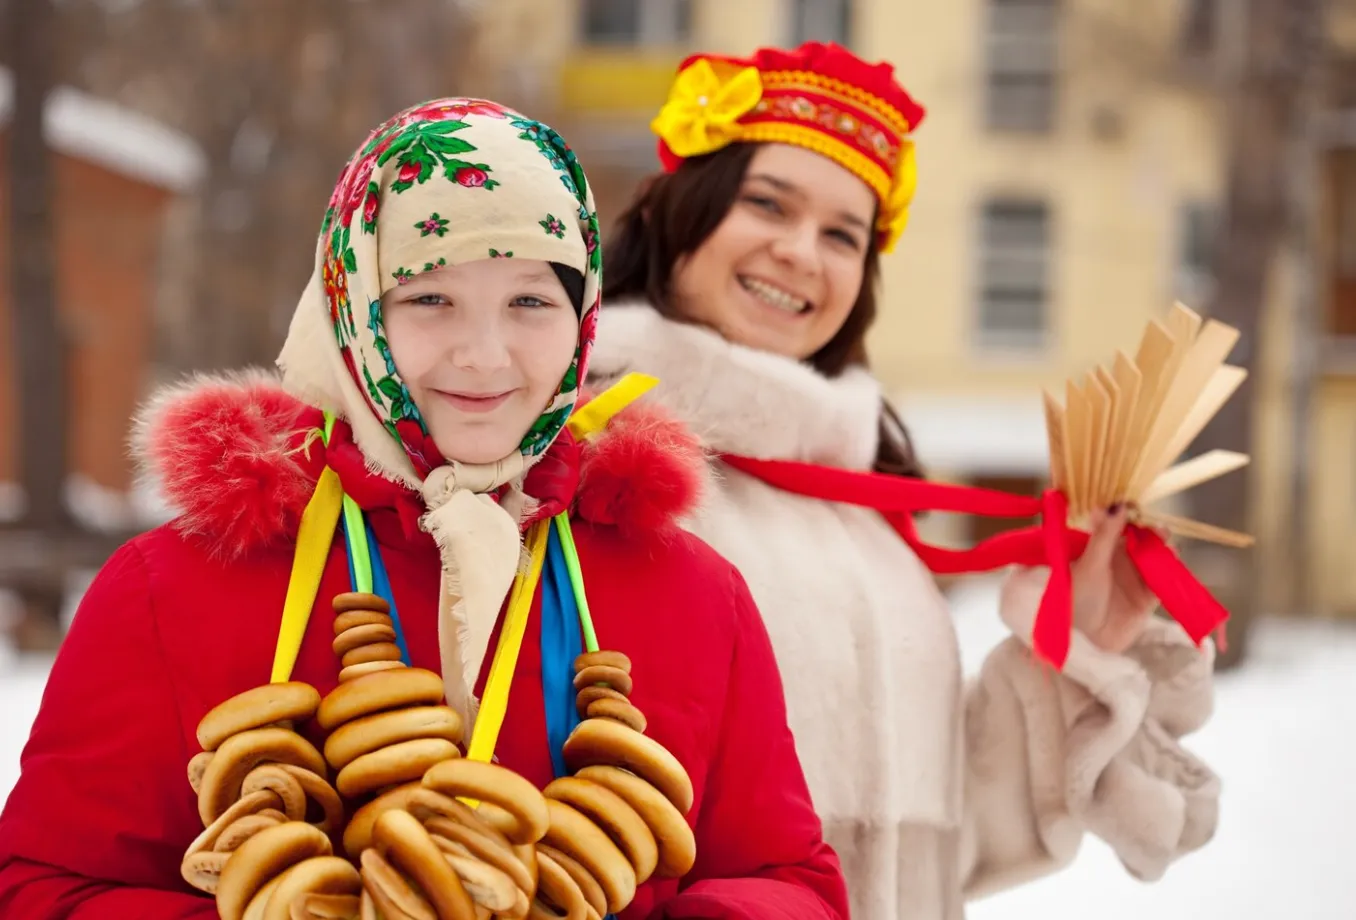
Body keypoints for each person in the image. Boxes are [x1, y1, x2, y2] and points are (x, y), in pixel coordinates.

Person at [0, 98, 849, 920]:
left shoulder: (692, 593)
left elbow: (788, 880)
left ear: (585, 315)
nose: (485, 356)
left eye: (530, 301)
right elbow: (44, 887)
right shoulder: (177, 584)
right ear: (354, 308)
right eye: (429, 297)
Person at [587, 41, 1221, 920]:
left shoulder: (868, 519)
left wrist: (1067, 650)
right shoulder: (588, 459)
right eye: (767, 204)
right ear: (674, 211)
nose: (802, 252)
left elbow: (948, 838)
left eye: (844, 235)